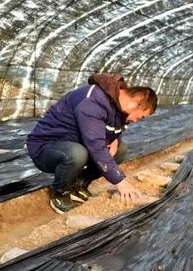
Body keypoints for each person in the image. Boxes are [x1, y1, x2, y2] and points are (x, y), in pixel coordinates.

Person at [27, 73, 157, 214]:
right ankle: (60, 191)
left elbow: (114, 129)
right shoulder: (93, 102)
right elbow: (96, 146)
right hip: (46, 147)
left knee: (120, 149)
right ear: (136, 103)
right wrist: (121, 182)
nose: (137, 120)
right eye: (141, 116)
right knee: (77, 154)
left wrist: (116, 140)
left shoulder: (120, 107)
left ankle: (78, 185)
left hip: (77, 142)